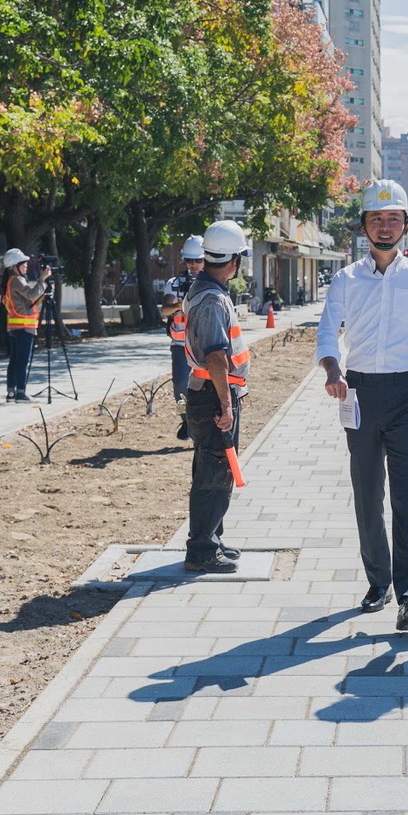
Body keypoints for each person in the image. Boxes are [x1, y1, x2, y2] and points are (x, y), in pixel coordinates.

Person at [316, 180, 408, 632]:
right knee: (368, 494)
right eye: (377, 218)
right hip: (359, 393)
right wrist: (333, 372)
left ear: (407, 226)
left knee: (406, 498)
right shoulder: (346, 278)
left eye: (394, 218)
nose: (386, 226)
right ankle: (379, 582)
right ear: (364, 227)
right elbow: (327, 330)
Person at [181, 220, 252, 574]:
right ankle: (202, 550)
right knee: (213, 470)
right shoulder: (211, 299)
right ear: (234, 260)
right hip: (213, 394)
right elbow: (215, 356)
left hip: (210, 391)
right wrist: (226, 404)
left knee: (216, 468)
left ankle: (212, 537)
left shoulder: (208, 290)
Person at [0, 249, 51, 402]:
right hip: (23, 326)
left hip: (16, 326)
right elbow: (32, 295)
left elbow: (29, 302)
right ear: (15, 265)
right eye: (23, 263)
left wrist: (44, 292)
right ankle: (21, 392)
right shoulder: (17, 280)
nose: (27, 265)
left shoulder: (11, 281)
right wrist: (42, 279)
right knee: (22, 361)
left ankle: (11, 392)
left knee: (15, 360)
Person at [164, 236, 206, 408]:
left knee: (205, 387)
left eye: (198, 260)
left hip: (204, 344)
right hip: (180, 344)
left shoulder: (210, 283)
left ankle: (202, 422)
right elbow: (164, 310)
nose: (193, 264)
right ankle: (185, 420)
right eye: (189, 260)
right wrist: (179, 305)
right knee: (181, 386)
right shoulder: (174, 284)